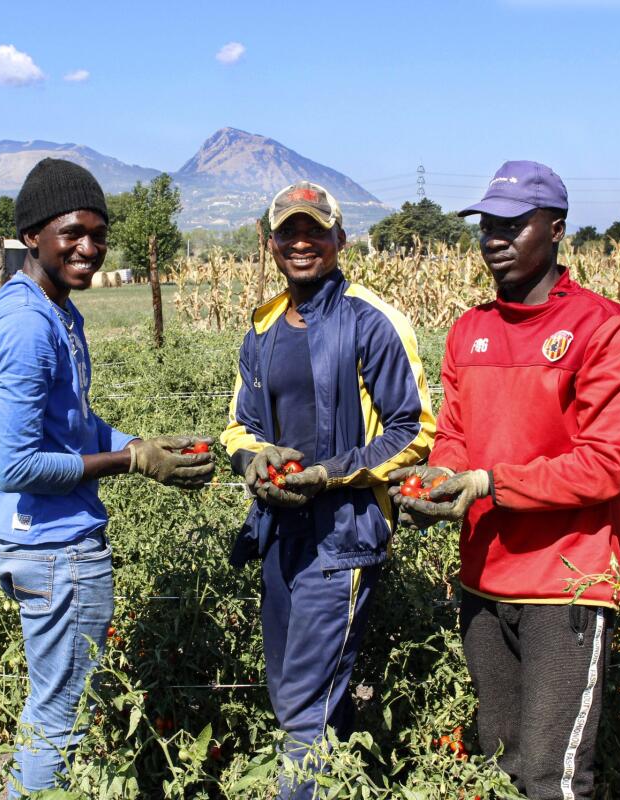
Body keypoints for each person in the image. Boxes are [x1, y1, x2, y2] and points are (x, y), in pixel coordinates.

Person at [389, 161, 620, 799]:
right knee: (502, 762)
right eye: (487, 226)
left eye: (514, 225)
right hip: (484, 579)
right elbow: (454, 434)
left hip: (567, 584)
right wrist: (438, 478)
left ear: (557, 229)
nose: (495, 239)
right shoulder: (470, 329)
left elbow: (609, 462)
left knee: (551, 775)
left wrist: (486, 483)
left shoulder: (606, 330)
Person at [0, 158, 214, 795]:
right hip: (54, 550)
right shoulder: (27, 326)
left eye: (99, 234)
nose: (90, 247)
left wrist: (136, 442)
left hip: (51, 548)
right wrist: (132, 463)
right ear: (32, 236)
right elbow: (18, 464)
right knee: (58, 720)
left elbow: (72, 421)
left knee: (54, 707)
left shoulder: (55, 312)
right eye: (73, 232)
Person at [220, 181, 436, 798]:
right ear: (270, 243)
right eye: (289, 231)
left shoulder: (371, 321)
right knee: (296, 689)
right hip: (280, 535)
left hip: (342, 539)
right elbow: (241, 425)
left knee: (303, 706)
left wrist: (331, 473)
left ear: (340, 239)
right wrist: (254, 462)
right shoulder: (262, 327)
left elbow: (413, 430)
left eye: (315, 229)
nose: (302, 241)